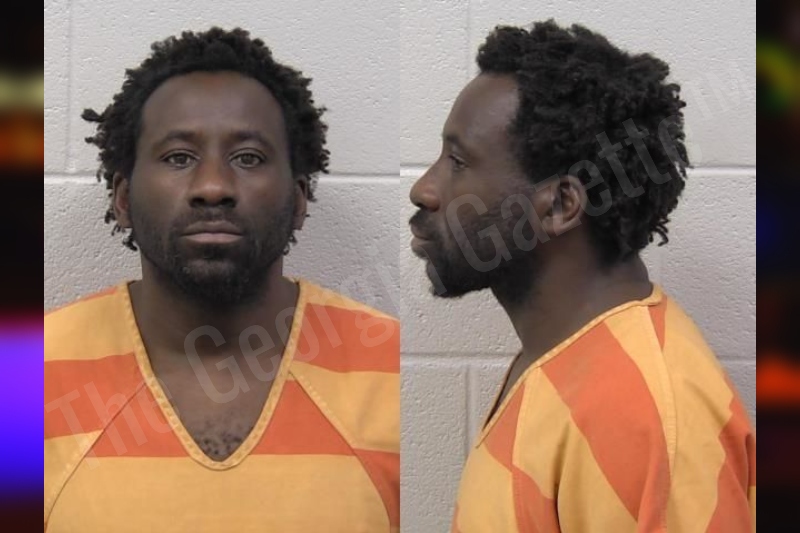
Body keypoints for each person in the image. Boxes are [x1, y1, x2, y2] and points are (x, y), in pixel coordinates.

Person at [45, 28, 399, 533]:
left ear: (299, 200)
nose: (213, 186)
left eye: (248, 158)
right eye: (179, 157)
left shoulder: (390, 367)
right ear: (122, 199)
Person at [409, 20, 755, 532]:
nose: (423, 189)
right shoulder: (564, 355)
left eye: (458, 161)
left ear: (560, 205)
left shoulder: (647, 417)